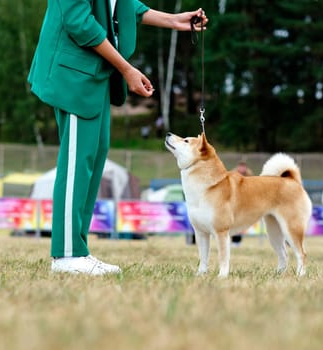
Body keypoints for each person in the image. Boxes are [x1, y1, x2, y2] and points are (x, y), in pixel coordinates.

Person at [28, 0, 208, 275]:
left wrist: (174, 21)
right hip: (72, 76)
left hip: (95, 75)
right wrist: (126, 69)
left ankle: (78, 251)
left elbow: (122, 6)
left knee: (93, 158)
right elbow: (78, 21)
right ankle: (65, 255)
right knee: (76, 164)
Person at [231, 160, 253, 246]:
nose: (242, 168)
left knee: (240, 222)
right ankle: (234, 240)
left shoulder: (249, 176)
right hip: (235, 201)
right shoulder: (234, 175)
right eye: (241, 166)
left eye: (243, 166)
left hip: (245, 202)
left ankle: (237, 241)